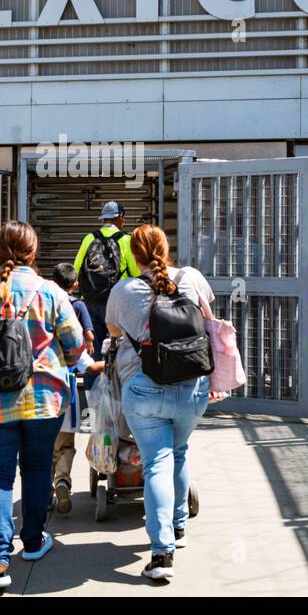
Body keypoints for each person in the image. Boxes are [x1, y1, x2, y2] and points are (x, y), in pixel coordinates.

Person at [0, 221, 84, 590]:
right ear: (33, 252)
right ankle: (35, 541)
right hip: (44, 401)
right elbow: (75, 348)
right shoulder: (51, 292)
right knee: (38, 469)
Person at [106, 224, 215, 582]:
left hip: (144, 388)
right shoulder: (192, 277)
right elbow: (207, 318)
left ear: (132, 255)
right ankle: (179, 527)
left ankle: (162, 551)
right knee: (179, 451)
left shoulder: (123, 291)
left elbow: (115, 332)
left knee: (156, 462)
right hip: (192, 389)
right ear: (165, 249)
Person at [49, 262, 97, 513]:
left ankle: (44, 491)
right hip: (66, 385)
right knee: (65, 443)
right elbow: (88, 338)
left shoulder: (45, 302)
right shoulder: (78, 305)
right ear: (76, 284)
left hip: (42, 385)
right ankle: (63, 480)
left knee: (42, 444)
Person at [73, 201, 139, 358]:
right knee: (118, 351)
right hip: (118, 303)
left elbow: (75, 269)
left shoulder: (89, 238)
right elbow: (136, 272)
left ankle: (91, 383)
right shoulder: (126, 240)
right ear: (120, 217)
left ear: (104, 219)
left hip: (90, 302)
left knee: (92, 352)